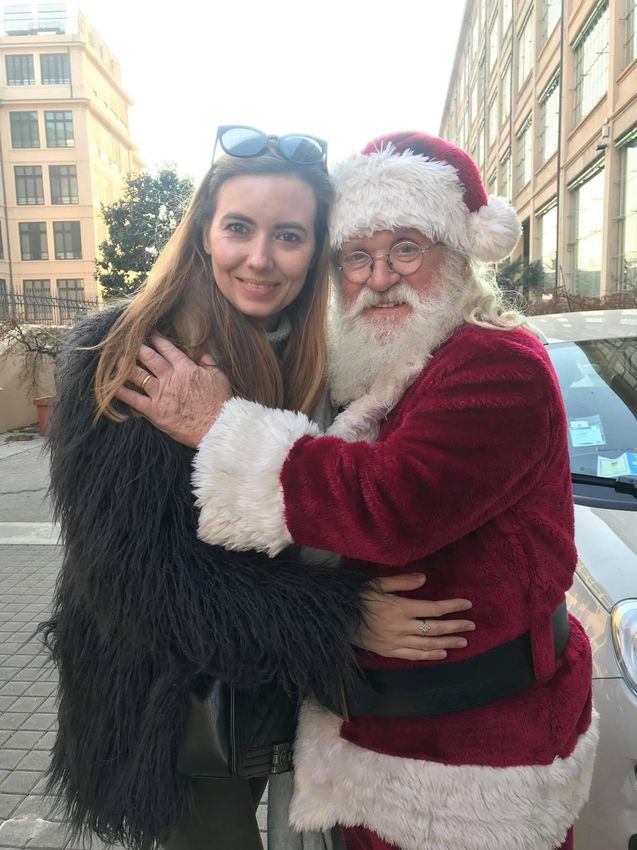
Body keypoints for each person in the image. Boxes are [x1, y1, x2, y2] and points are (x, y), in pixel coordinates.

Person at [131, 131, 598, 850]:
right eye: (356, 255)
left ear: (459, 252)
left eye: (406, 248)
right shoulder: (380, 366)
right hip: (376, 744)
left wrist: (220, 426)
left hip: (472, 765)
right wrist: (339, 617)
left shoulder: (496, 362)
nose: (379, 277)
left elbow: (389, 506)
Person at [40, 127, 475, 850]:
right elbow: (131, 578)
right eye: (239, 228)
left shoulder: (319, 359)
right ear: (203, 233)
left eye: (289, 236)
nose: (261, 258)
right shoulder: (126, 353)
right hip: (171, 708)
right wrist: (341, 618)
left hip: (274, 690)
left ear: (316, 250)